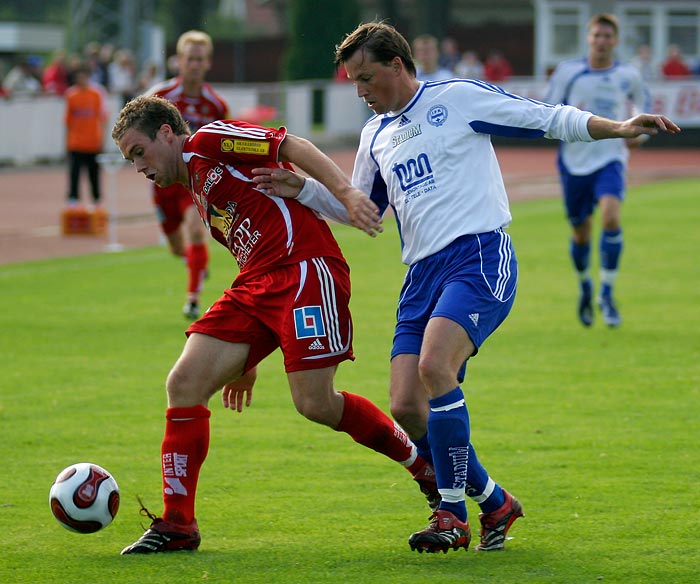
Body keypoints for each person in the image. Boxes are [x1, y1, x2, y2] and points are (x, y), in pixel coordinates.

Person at [251, 21, 679, 554]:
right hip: (420, 275)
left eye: (365, 79)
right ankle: (495, 501)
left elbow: (544, 117)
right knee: (407, 406)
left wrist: (616, 127)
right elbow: (363, 210)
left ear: (397, 65)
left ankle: (451, 513)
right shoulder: (375, 135)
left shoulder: (455, 98)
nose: (359, 92)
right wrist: (306, 189)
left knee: (435, 368)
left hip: (478, 255)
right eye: (353, 82)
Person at [111, 95, 439, 554]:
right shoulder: (199, 186)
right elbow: (250, 246)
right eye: (130, 160)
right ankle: (177, 524)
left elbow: (292, 146)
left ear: (166, 133)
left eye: (138, 152)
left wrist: (345, 193)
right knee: (184, 383)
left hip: (305, 269)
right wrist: (245, 359)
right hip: (258, 284)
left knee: (316, 404)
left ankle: (423, 467)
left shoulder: (208, 141)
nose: (138, 166)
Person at [544, 13, 651, 327]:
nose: (602, 41)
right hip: (574, 162)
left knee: (611, 216)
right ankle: (585, 286)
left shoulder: (628, 74)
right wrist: (568, 118)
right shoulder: (569, 72)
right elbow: (548, 110)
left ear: (615, 41)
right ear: (588, 39)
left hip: (610, 157)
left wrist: (640, 134)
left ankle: (606, 291)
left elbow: (644, 101)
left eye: (607, 36)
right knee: (581, 232)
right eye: (597, 36)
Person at [146, 30, 229, 320]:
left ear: (208, 63)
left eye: (200, 59)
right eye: (189, 59)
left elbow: (222, 142)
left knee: (196, 231)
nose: (194, 64)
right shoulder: (159, 97)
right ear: (179, 61)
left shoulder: (215, 105)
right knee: (176, 247)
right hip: (162, 182)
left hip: (194, 182)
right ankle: (197, 265)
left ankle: (192, 300)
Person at [64, 63, 108, 207]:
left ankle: (96, 200)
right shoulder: (71, 95)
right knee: (74, 174)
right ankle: (73, 199)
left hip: (93, 142)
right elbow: (68, 120)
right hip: (76, 142)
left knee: (94, 174)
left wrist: (103, 139)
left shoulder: (96, 94)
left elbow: (103, 118)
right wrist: (66, 141)